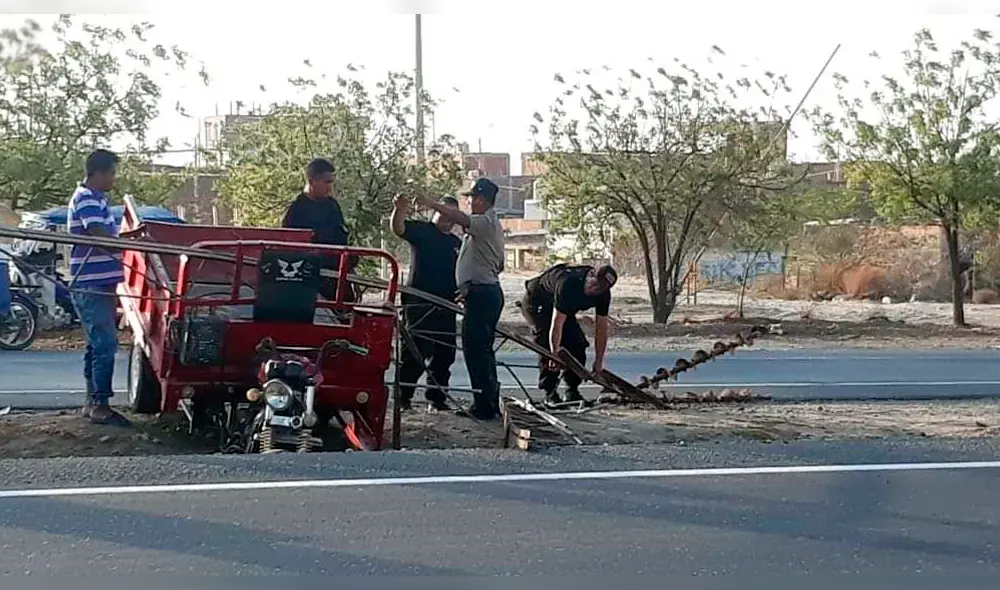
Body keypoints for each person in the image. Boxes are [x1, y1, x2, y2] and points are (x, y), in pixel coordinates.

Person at [415, 178, 504, 420]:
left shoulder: (485, 222)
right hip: (480, 292)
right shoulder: (484, 227)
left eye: (471, 198)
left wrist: (429, 202)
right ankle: (487, 401)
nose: (468, 202)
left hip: (483, 294)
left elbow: (459, 218)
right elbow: (499, 264)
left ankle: (484, 405)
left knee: (477, 352)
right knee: (480, 351)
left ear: (482, 200)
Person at [67, 149, 130, 426]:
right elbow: (99, 236)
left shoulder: (98, 200)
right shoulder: (86, 200)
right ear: (99, 173)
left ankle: (92, 402)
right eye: (112, 174)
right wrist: (129, 247)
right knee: (105, 344)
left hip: (100, 282)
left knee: (96, 344)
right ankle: (100, 405)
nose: (113, 180)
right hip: (89, 283)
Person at [390, 193, 462, 411]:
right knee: (416, 350)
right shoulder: (423, 231)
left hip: (446, 304)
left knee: (445, 353)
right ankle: (403, 397)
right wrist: (399, 208)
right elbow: (398, 228)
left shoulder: (456, 243)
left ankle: (437, 398)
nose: (447, 219)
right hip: (419, 302)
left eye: (452, 215)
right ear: (435, 213)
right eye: (443, 213)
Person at [520, 262, 618, 404]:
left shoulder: (603, 295)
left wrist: (599, 360)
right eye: (594, 284)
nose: (595, 290)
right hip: (537, 304)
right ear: (590, 275)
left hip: (563, 308)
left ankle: (572, 390)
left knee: (577, 344)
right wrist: (554, 354)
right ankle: (550, 392)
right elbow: (556, 324)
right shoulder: (569, 283)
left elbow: (601, 329)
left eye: (600, 289)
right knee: (547, 345)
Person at [280, 158, 357, 301]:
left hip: (337, 278)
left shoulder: (332, 206)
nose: (330, 188)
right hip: (310, 281)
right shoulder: (295, 211)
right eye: (326, 182)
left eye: (331, 182)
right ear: (311, 181)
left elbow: (341, 237)